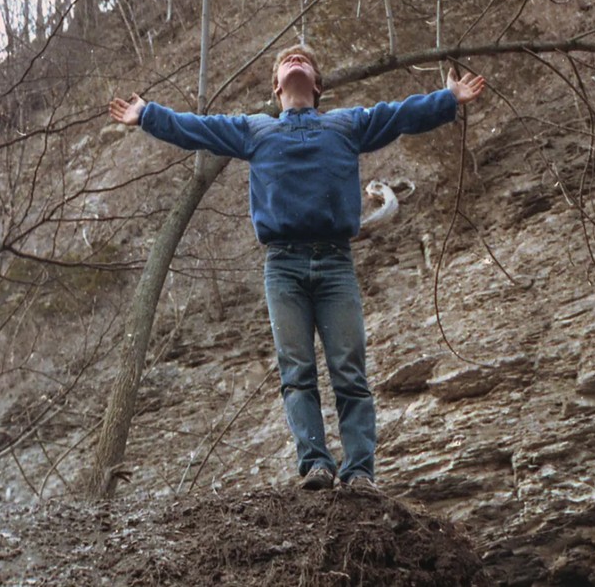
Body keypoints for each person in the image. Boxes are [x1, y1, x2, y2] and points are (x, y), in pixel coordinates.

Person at [109, 44, 485, 491]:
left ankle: (360, 472)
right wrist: (147, 115)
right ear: (276, 86)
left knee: (349, 368)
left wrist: (447, 100)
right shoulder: (255, 130)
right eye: (287, 60)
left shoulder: (346, 124)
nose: (295, 62)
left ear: (318, 83)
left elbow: (398, 115)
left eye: (303, 59)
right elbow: (199, 129)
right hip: (282, 265)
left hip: (335, 263)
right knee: (297, 371)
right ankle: (317, 465)